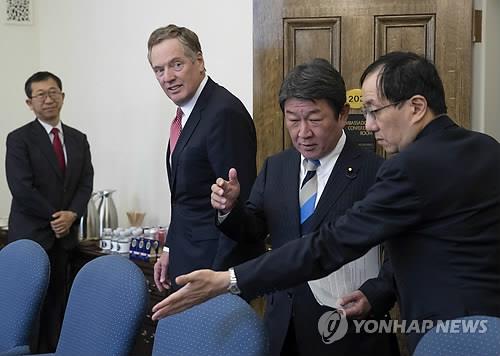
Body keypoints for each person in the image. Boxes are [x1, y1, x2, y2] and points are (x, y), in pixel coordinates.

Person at [151, 51, 500, 353]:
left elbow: (329, 244)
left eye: (376, 111)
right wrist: (230, 209)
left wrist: (228, 279)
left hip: (443, 332)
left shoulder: (402, 168)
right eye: (293, 120)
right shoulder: (486, 147)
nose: (372, 125)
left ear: (417, 107)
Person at [209, 58, 399, 355]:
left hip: (348, 330)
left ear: (343, 114)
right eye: (293, 120)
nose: (303, 132)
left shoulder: (376, 172)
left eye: (314, 118)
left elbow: (399, 254)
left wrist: (375, 295)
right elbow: (254, 229)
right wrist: (230, 209)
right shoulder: (277, 167)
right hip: (282, 325)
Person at [147, 24, 264, 292]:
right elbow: (184, 199)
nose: (168, 77)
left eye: (176, 65)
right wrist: (169, 248)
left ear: (199, 61)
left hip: (212, 271)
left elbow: (238, 205)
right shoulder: (186, 114)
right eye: (159, 69)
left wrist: (218, 278)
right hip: (186, 259)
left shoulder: (224, 113)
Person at [5, 71, 94, 353]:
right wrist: (57, 216)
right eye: (40, 94)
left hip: (64, 240)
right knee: (28, 308)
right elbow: (21, 188)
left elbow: (85, 183)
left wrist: (72, 215)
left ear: (63, 97)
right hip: (31, 238)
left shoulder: (79, 139)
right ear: (29, 103)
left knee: (58, 304)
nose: (48, 99)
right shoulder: (19, 139)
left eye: (53, 92)